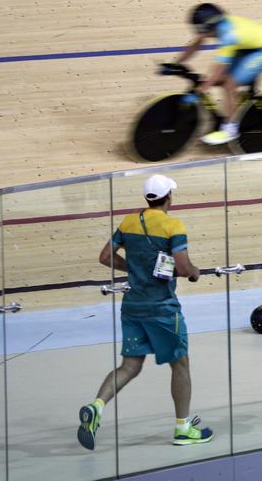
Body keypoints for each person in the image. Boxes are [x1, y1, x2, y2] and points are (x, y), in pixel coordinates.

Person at [77, 174, 213, 450]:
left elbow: (104, 257)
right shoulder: (172, 226)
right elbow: (185, 269)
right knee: (181, 365)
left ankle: (97, 406)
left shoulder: (128, 222)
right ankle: (183, 429)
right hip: (162, 309)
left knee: (129, 366)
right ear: (169, 198)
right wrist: (196, 272)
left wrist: (133, 269)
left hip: (132, 307)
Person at [170, 3, 262, 145]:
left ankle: (230, 130)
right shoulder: (215, 25)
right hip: (248, 46)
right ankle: (235, 107)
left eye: (200, 29)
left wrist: (200, 91)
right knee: (218, 80)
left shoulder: (228, 36)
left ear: (210, 26)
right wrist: (176, 63)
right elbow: (196, 44)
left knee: (229, 83)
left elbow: (218, 69)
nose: (199, 33)